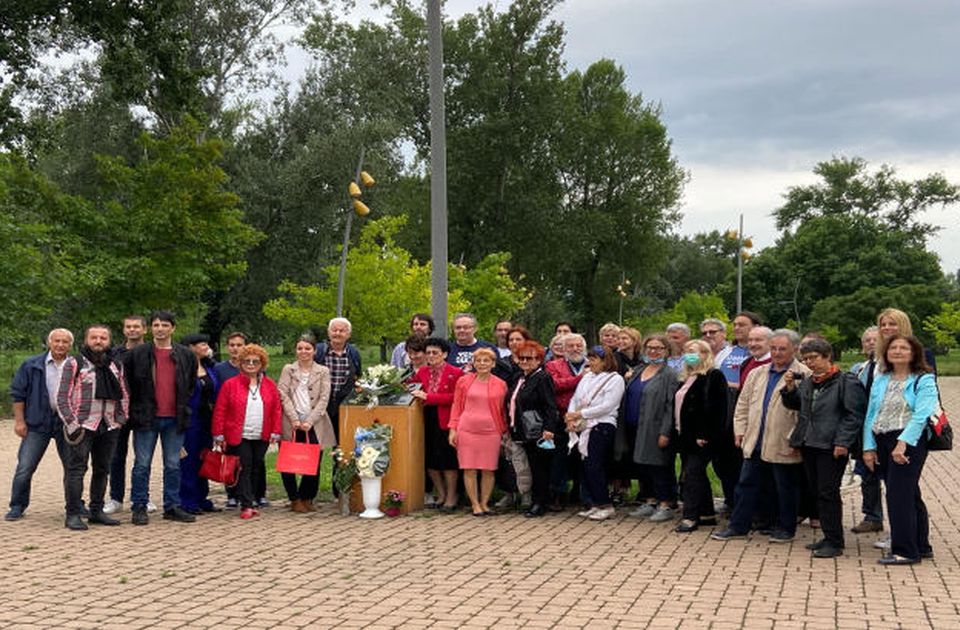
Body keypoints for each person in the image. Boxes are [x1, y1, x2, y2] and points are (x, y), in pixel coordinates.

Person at [710, 329, 808, 544]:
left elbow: (806, 413)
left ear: (795, 349)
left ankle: (785, 528)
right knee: (746, 484)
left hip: (784, 440)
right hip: (755, 439)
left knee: (785, 487)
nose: (777, 353)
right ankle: (738, 526)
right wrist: (740, 430)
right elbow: (743, 404)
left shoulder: (804, 374)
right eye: (773, 348)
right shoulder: (758, 373)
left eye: (782, 349)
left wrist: (797, 439)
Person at [779, 338, 867, 558]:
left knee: (828, 492)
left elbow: (853, 415)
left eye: (814, 358)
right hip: (809, 443)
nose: (810, 363)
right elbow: (797, 405)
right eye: (806, 359)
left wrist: (842, 441)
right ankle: (828, 536)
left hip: (831, 445)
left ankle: (835, 541)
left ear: (828, 356)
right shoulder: (810, 381)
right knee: (817, 491)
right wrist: (789, 389)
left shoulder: (846, 381)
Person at [862, 334, 937, 565]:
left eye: (903, 348)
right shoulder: (882, 379)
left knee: (898, 495)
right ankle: (922, 546)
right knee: (910, 494)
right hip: (882, 439)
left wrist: (903, 443)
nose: (897, 351)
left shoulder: (923, 379)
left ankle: (905, 551)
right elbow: (871, 414)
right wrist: (868, 447)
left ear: (914, 352)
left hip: (908, 441)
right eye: (893, 347)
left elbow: (922, 414)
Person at [122, 311, 197, 525]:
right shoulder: (138, 354)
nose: (160, 328)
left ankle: (172, 506)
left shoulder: (185, 355)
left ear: (173, 328)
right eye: (156, 325)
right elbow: (128, 384)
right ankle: (139, 506)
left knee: (173, 464)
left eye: (165, 324)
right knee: (142, 464)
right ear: (151, 329)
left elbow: (189, 385)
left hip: (175, 418)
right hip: (146, 417)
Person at [57, 325, 130, 530]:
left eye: (103, 338)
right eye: (94, 337)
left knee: (102, 469)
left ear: (109, 341)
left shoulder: (116, 364)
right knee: (76, 470)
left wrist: (121, 418)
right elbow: (62, 396)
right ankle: (72, 514)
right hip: (83, 425)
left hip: (108, 424)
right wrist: (72, 424)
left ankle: (96, 510)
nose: (98, 341)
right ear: (86, 340)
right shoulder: (75, 363)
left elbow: (123, 393)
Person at [6, 329, 75, 522]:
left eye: (65, 342)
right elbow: (18, 394)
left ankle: (75, 505)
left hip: (66, 424)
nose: (60, 345)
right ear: (49, 342)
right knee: (25, 466)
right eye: (57, 341)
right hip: (37, 423)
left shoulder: (76, 365)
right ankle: (17, 505)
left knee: (72, 468)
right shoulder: (31, 365)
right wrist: (19, 421)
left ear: (70, 345)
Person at [212, 344, 281, 519]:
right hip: (238, 434)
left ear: (262, 364)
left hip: (261, 433)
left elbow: (276, 409)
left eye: (255, 361)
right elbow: (220, 410)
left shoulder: (270, 385)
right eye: (247, 361)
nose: (251, 364)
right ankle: (246, 504)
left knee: (257, 466)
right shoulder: (230, 385)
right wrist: (218, 433)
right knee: (244, 466)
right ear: (241, 363)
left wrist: (276, 430)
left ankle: (253, 498)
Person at [616, 334, 678, 522]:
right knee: (641, 464)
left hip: (655, 427)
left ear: (666, 351)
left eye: (659, 348)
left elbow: (670, 405)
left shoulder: (669, 374)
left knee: (658, 465)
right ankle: (649, 500)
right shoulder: (638, 370)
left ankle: (665, 503)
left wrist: (665, 432)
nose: (653, 351)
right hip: (634, 426)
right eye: (650, 347)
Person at [673, 339, 728, 533]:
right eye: (687, 351)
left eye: (694, 351)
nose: (689, 354)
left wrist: (705, 433)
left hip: (703, 437)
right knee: (697, 474)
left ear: (705, 354)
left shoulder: (714, 376)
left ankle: (690, 516)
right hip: (685, 435)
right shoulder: (686, 377)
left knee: (692, 474)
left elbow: (717, 409)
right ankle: (706, 513)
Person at [277, 335, 335, 513]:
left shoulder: (323, 371)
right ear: (296, 350)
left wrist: (309, 420)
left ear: (314, 351)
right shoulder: (289, 369)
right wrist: (294, 418)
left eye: (307, 348)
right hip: (290, 421)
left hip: (314, 421)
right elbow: (282, 393)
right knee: (288, 460)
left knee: (313, 461)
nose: (304, 352)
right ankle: (294, 498)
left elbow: (324, 397)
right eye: (300, 348)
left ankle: (306, 496)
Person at [566, 348, 625, 521]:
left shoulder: (615, 379)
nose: (590, 362)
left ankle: (605, 504)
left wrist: (581, 414)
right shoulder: (587, 377)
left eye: (595, 359)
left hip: (601, 425)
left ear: (605, 361)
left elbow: (608, 405)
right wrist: (571, 416)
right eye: (589, 358)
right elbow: (575, 399)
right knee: (586, 466)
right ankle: (595, 503)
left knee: (595, 465)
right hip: (584, 426)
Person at [448, 348, 508, 516]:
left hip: (491, 431)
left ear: (493, 364)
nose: (482, 364)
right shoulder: (463, 381)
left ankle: (485, 503)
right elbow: (456, 405)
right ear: (473, 363)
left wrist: (504, 431)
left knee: (489, 469)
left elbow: (503, 410)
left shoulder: (501, 384)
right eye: (479, 361)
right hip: (467, 430)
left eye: (486, 361)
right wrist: (453, 429)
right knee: (469, 469)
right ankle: (475, 505)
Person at [506, 340, 560, 517]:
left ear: (539, 360)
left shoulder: (542, 378)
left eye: (529, 358)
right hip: (521, 429)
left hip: (538, 430)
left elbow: (550, 406)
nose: (524, 361)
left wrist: (549, 428)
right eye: (521, 358)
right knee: (527, 467)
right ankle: (532, 500)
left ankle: (540, 503)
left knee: (539, 469)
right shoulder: (519, 377)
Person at [411, 337, 464, 511]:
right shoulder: (422, 372)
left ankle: (451, 496)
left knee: (448, 461)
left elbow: (456, 398)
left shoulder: (456, 373)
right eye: (428, 353)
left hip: (446, 420)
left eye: (435, 352)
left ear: (445, 354)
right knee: (431, 461)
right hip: (426, 419)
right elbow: (412, 389)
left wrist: (430, 397)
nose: (431, 356)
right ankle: (440, 494)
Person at [105, 315, 147, 514]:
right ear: (123, 330)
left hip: (144, 410)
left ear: (144, 330)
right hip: (118, 412)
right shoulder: (113, 354)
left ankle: (141, 497)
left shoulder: (152, 352)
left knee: (143, 458)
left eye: (136, 326)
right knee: (116, 457)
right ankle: (115, 498)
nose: (132, 330)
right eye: (128, 327)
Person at [179, 334, 221, 514]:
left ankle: (202, 497)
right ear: (191, 347)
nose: (206, 347)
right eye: (202, 344)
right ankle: (187, 500)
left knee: (205, 457)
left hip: (207, 419)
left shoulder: (209, 367)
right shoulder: (183, 368)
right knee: (189, 460)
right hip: (190, 419)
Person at [545, 333, 588, 509]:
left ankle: (583, 493)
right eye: (570, 346)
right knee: (559, 458)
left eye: (578, 345)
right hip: (561, 417)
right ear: (564, 348)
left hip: (586, 417)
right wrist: (580, 379)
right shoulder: (553, 365)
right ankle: (558, 494)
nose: (575, 349)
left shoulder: (591, 363)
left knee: (585, 456)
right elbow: (555, 385)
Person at [849, 325, 883, 534]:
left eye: (874, 339)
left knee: (891, 478)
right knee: (867, 475)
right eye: (866, 340)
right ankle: (872, 516)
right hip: (864, 431)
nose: (870, 343)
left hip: (886, 429)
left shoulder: (889, 367)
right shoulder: (858, 369)